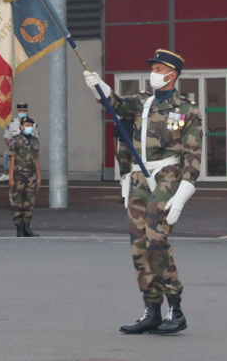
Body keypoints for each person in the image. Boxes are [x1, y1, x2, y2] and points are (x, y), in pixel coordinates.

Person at [83, 48, 202, 335]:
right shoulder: (141, 102)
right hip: (138, 177)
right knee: (138, 245)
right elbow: (116, 105)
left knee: (156, 240)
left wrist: (184, 192)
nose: (154, 74)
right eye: (153, 69)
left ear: (173, 74)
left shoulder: (188, 109)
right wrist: (98, 85)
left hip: (167, 176)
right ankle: (152, 309)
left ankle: (176, 307)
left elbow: (193, 154)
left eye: (160, 70)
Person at [9, 117, 40, 238]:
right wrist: (11, 178)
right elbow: (12, 160)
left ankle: (27, 227)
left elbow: (36, 159)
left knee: (29, 202)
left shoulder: (35, 141)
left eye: (30, 125)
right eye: (26, 125)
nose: (28, 127)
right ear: (21, 126)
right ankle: (19, 228)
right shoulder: (15, 140)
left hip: (31, 175)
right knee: (18, 202)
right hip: (19, 174)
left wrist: (38, 175)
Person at [0, 102, 38, 182]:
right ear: (17, 112)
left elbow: (36, 139)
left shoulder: (33, 124)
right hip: (16, 152)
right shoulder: (11, 124)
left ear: (27, 111)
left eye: (24, 111)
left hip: (29, 153)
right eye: (20, 111)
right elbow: (7, 138)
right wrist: (15, 144)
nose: (22, 113)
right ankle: (7, 175)